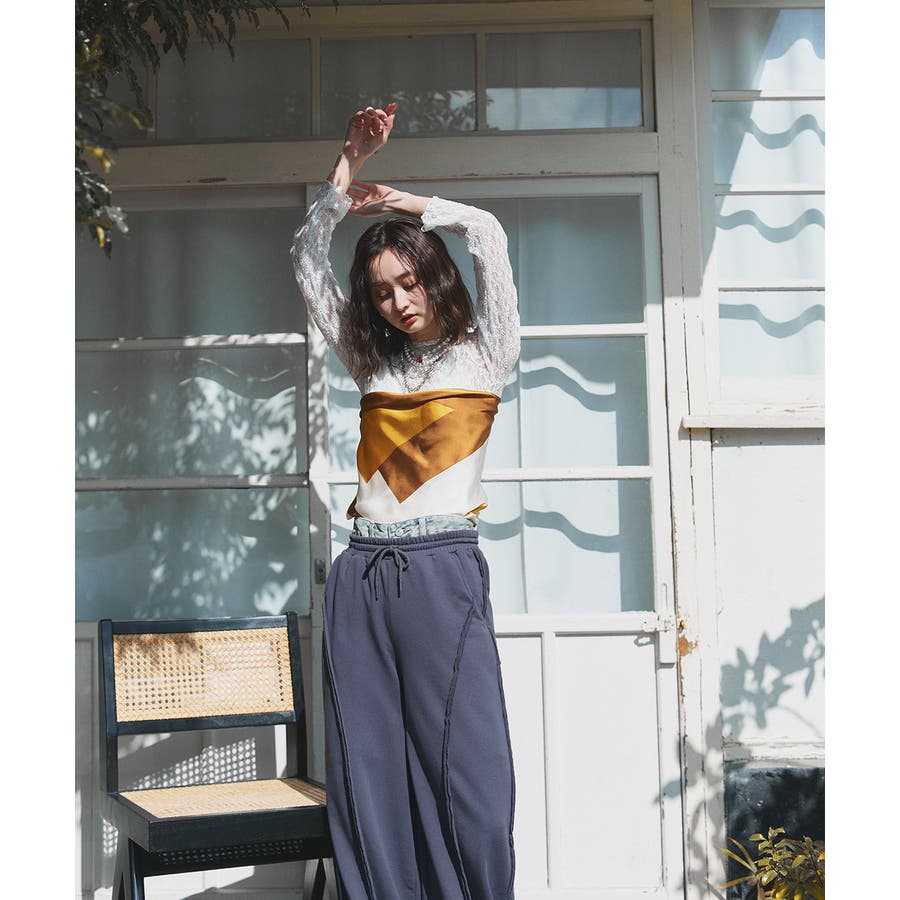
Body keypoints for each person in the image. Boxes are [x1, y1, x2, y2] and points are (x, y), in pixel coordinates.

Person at [291, 101, 519, 900]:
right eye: (382, 291)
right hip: (362, 576)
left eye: (409, 280)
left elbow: (486, 230)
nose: (398, 301)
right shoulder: (372, 362)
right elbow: (306, 259)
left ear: (433, 274)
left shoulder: (486, 352)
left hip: (441, 570)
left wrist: (402, 203)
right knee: (370, 770)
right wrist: (346, 165)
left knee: (473, 775)